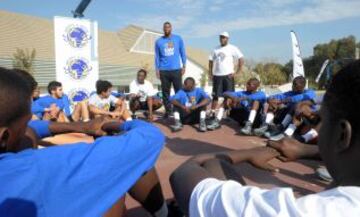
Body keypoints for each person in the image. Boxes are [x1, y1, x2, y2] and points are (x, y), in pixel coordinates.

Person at [170, 60, 360, 217]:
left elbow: (183, 173)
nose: (316, 124)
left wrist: (247, 154)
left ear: (342, 135)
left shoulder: (296, 212)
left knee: (214, 165)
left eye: (319, 120)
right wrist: (307, 151)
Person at [0, 67, 172, 217]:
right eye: (24, 125)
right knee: (119, 171)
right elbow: (149, 138)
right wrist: (125, 124)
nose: (28, 129)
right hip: (125, 135)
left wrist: (83, 126)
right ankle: (164, 214)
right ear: (4, 137)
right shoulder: (34, 169)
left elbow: (36, 128)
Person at [208, 31, 244, 117]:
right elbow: (210, 61)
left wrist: (238, 71)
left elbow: (241, 58)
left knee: (228, 96)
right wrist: (210, 72)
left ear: (227, 38)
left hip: (228, 76)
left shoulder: (232, 48)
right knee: (215, 96)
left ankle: (227, 113)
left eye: (224, 37)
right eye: (221, 37)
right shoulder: (215, 49)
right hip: (217, 76)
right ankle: (212, 112)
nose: (222, 39)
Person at [155, 21, 187, 118]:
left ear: (171, 28)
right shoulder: (158, 41)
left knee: (179, 91)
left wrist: (184, 65)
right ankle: (168, 111)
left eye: (168, 27)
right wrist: (157, 69)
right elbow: (157, 56)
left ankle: (180, 111)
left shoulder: (178, 39)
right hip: (164, 70)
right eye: (165, 27)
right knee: (165, 92)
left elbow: (183, 52)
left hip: (176, 69)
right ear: (163, 29)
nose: (166, 29)